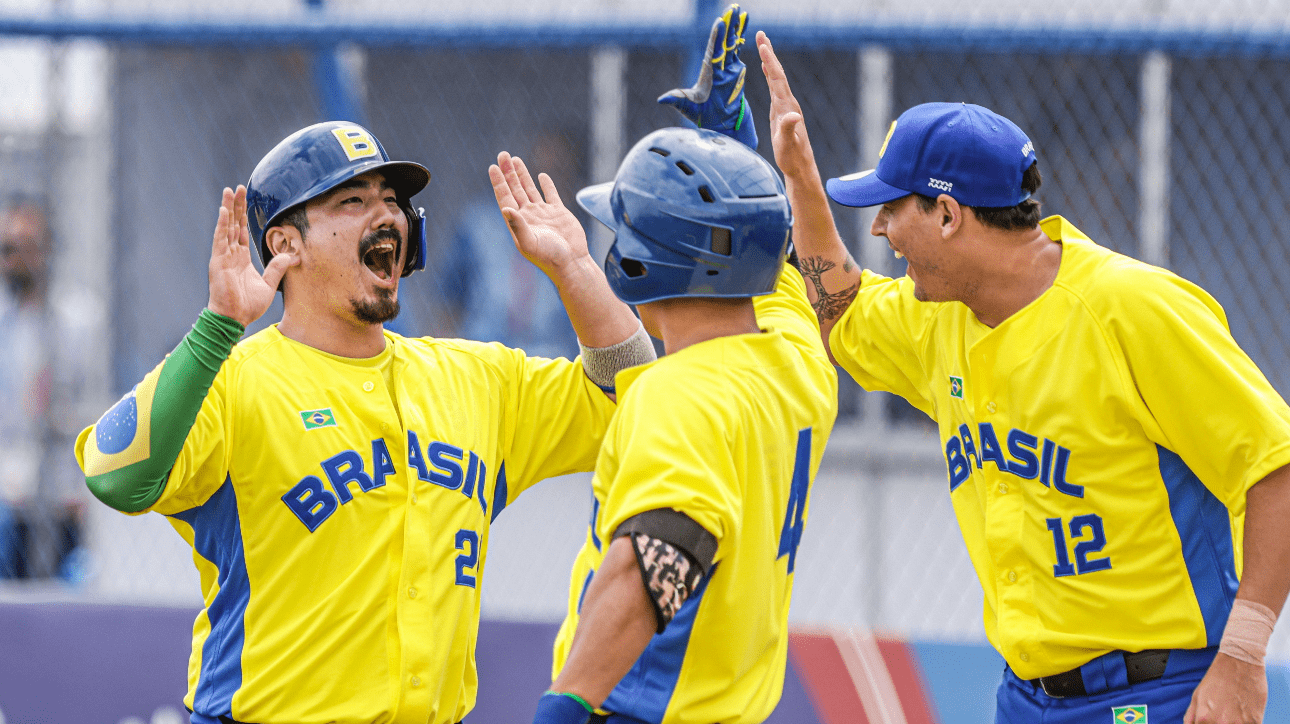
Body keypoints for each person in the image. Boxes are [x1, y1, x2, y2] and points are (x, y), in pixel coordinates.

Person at [754, 31, 1290, 724]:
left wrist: (1244, 659)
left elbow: (1273, 467)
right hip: (1026, 696)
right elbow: (841, 309)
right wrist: (798, 179)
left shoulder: (1132, 310)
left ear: (948, 214)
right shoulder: (942, 317)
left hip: (1161, 692)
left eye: (893, 208)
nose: (880, 229)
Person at [74, 121, 656, 724]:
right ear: (285, 246)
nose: (387, 217)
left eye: (390, 200)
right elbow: (117, 477)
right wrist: (218, 325)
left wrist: (574, 269)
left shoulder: (476, 379)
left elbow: (636, 401)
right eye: (352, 201)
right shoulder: (234, 380)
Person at [528, 8, 839, 724]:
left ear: (646, 263)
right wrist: (736, 151)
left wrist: (562, 707)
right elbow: (776, 259)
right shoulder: (799, 360)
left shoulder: (678, 393)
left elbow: (657, 562)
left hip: (640, 709)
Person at [0, 196, 96, 580]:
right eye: (6, 249)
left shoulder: (77, 320)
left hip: (58, 491)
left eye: (24, 248)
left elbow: (94, 406)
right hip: (6, 492)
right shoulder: (4, 324)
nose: (13, 260)